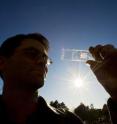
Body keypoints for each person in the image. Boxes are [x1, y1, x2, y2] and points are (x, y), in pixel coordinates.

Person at [0, 33, 116, 124]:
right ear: (2, 63)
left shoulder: (69, 121)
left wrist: (116, 91)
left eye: (45, 59)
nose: (42, 62)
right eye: (31, 53)